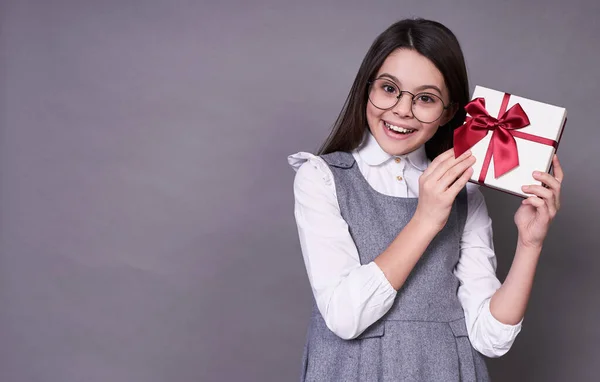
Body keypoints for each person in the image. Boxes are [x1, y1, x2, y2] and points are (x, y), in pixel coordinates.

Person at [288, 18, 564, 381]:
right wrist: (426, 218)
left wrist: (531, 243)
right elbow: (344, 316)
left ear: (448, 112)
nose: (403, 110)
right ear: (365, 89)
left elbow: (490, 337)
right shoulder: (322, 177)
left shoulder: (465, 193)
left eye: (426, 98)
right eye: (389, 89)